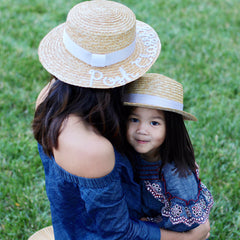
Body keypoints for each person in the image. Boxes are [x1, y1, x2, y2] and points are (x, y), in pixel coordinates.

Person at [32, 0, 210, 239]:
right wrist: (187, 238)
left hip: (70, 226)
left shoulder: (50, 96)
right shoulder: (93, 149)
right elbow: (117, 232)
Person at [124, 73, 214, 233]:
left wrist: (149, 225)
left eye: (154, 123)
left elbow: (186, 221)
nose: (141, 130)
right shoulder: (128, 154)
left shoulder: (176, 174)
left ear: (171, 128)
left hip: (171, 230)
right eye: (134, 119)